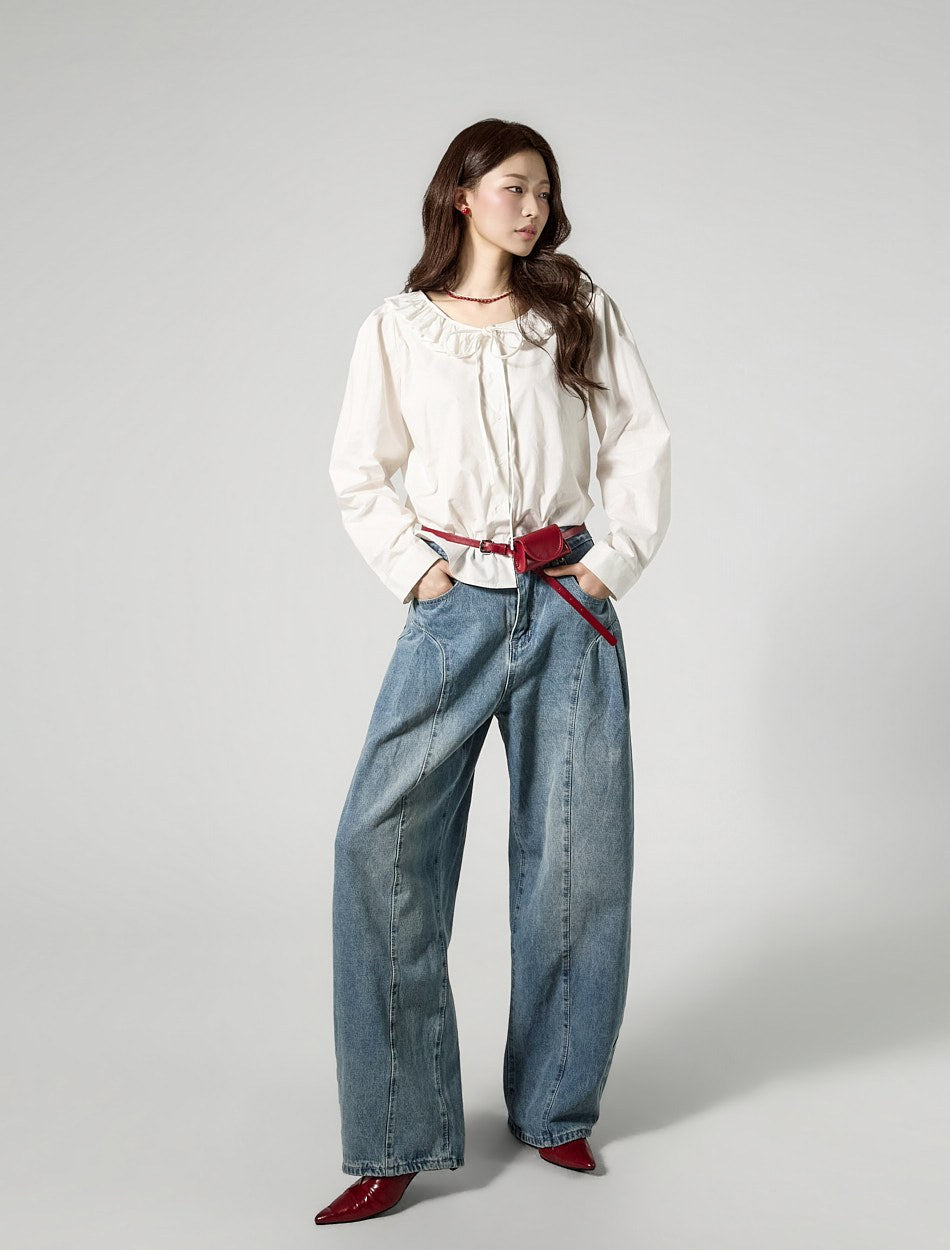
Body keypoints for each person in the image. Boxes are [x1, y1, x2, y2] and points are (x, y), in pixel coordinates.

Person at [314, 117, 671, 1225]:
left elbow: (640, 438)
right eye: (514, 186)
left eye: (545, 190)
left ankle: (556, 1107)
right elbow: (358, 469)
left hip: (567, 601)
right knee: (379, 845)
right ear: (461, 195)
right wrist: (417, 575)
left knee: (575, 860)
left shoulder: (576, 308)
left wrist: (609, 567)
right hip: (453, 607)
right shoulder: (399, 328)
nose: (534, 206)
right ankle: (395, 1133)